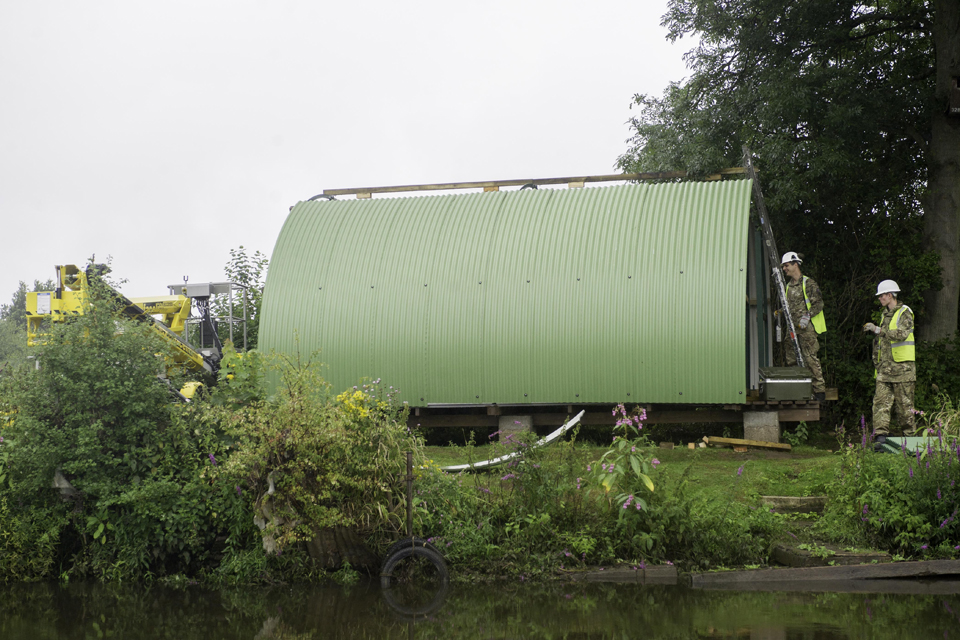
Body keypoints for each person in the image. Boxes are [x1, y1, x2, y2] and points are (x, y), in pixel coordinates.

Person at [863, 280, 916, 442]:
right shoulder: (885, 315)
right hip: (884, 369)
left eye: (882, 295)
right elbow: (881, 344)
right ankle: (880, 437)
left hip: (902, 370)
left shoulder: (905, 312)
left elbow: (902, 334)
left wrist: (877, 330)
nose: (879, 298)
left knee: (905, 407)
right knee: (880, 404)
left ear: (890, 295)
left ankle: (911, 440)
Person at [781, 251, 827, 402]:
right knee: (791, 358)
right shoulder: (789, 286)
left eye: (786, 265)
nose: (784, 269)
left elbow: (818, 303)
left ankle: (819, 391)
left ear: (795, 264)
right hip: (793, 329)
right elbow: (791, 306)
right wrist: (779, 312)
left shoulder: (808, 283)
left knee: (810, 358)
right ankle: (798, 388)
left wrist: (807, 316)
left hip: (806, 329)